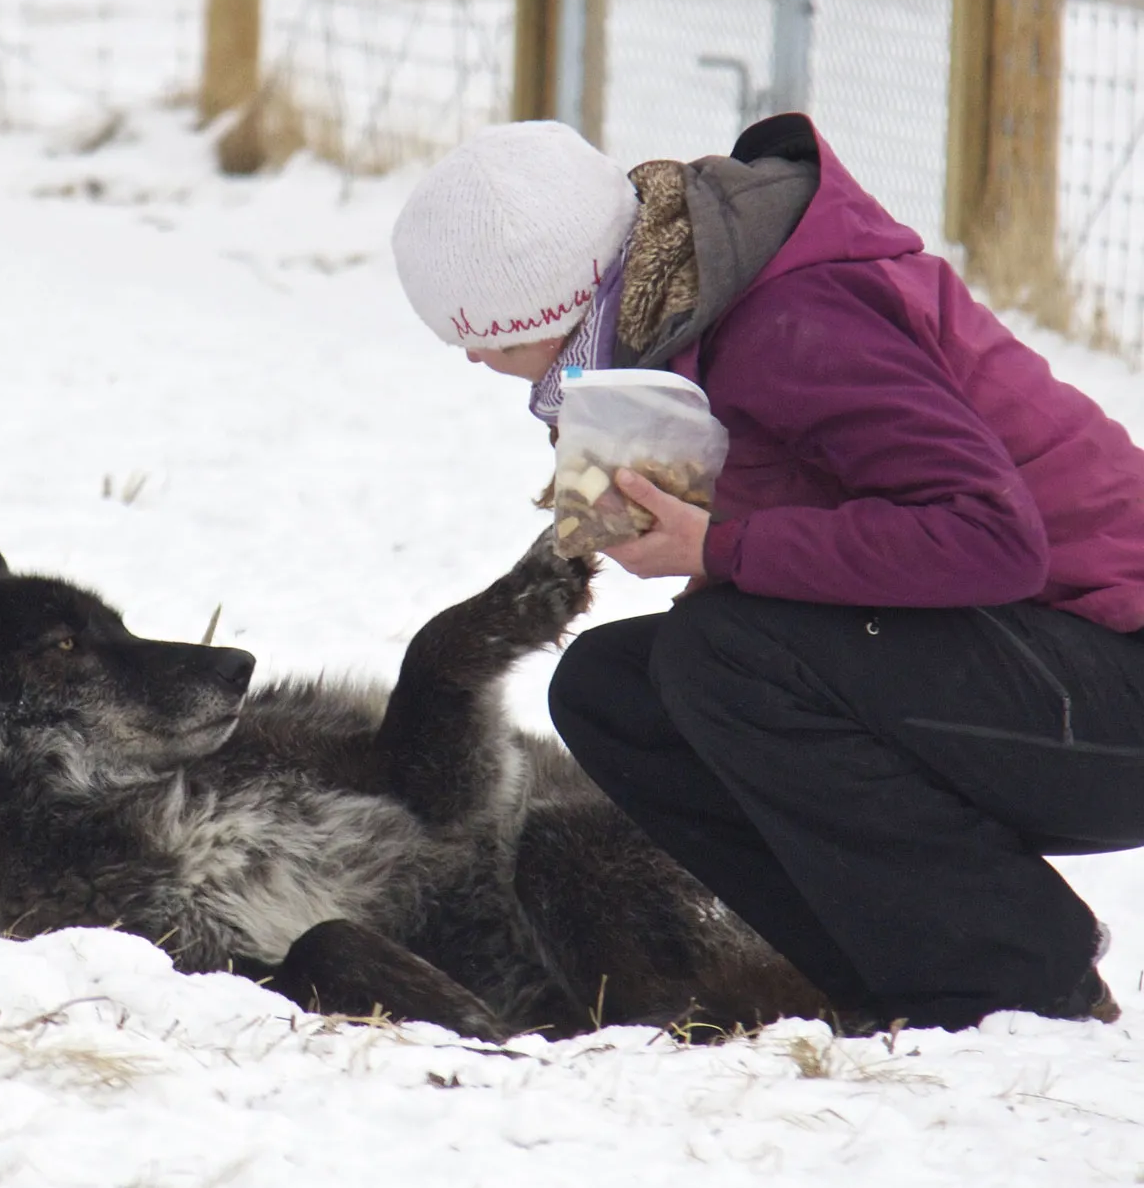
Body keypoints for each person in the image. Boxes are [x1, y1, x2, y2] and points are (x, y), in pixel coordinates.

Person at [390, 113, 1144, 1031]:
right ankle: (889, 977)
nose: (475, 360)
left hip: (1115, 684)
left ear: (557, 303)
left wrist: (721, 550)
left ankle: (1014, 984)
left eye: (491, 341)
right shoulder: (683, 310)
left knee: (726, 656)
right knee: (614, 689)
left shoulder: (793, 316)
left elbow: (989, 536)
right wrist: (719, 552)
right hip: (1035, 671)